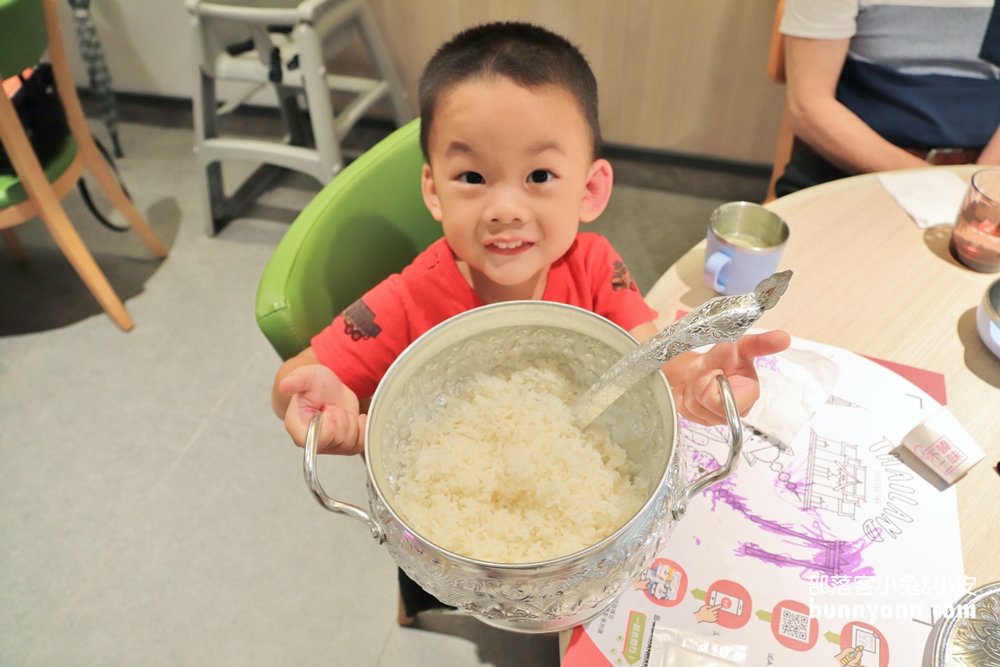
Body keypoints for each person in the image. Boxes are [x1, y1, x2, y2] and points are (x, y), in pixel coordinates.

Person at [271, 21, 791, 619]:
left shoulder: (594, 267)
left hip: (579, 543)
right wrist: (325, 402)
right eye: (471, 177)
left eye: (539, 176)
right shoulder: (410, 295)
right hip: (445, 544)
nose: (505, 209)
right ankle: (414, 607)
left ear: (591, 189)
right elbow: (294, 378)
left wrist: (700, 375)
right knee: (438, 591)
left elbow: (654, 362)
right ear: (434, 190)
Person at [775, 0, 1000, 198]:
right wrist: (938, 189)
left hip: (986, 175)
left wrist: (980, 191)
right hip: (852, 171)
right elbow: (808, 107)